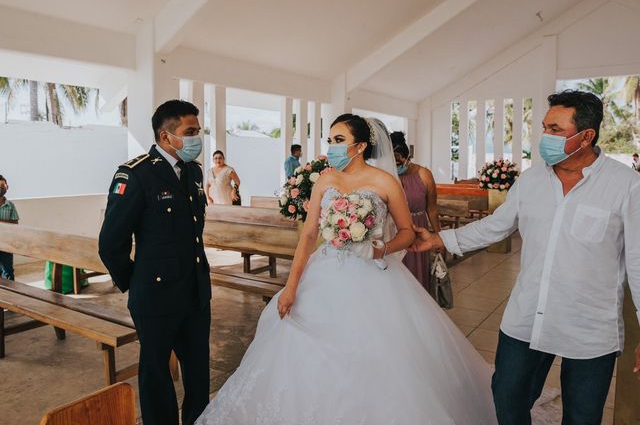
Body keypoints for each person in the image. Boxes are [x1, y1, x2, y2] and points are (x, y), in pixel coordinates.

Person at [195, 114, 497, 425]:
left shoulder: (384, 182)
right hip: (325, 270)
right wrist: (291, 286)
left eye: (339, 141)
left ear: (361, 146)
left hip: (371, 273)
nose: (331, 147)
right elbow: (310, 234)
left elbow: (406, 232)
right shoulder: (326, 179)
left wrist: (381, 248)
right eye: (329, 140)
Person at [411, 90, 640, 425]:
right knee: (507, 397)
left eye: (555, 130)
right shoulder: (531, 179)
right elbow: (497, 225)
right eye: (545, 127)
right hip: (528, 315)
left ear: (586, 136)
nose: (544, 136)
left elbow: (637, 261)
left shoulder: (626, 186)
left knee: (583, 415)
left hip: (590, 327)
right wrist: (439, 239)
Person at [99, 100, 211, 425]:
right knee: (156, 375)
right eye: (189, 132)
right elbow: (110, 244)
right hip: (156, 296)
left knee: (198, 375)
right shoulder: (136, 175)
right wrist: (136, 281)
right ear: (165, 136)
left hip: (195, 293)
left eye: (197, 131)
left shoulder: (193, 171)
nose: (196, 138)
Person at [391, 131, 440, 290]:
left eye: (400, 162)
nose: (397, 166)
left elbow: (432, 208)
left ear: (407, 157)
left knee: (416, 276)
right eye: (394, 163)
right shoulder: (387, 176)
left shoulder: (423, 174)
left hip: (418, 230)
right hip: (393, 230)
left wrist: (439, 237)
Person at [0, 174, 19, 280]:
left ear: (7, 187)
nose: (0, 188)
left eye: (2, 185)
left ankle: (10, 295)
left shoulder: (10, 205)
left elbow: (15, 223)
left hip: (7, 244)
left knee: (8, 272)